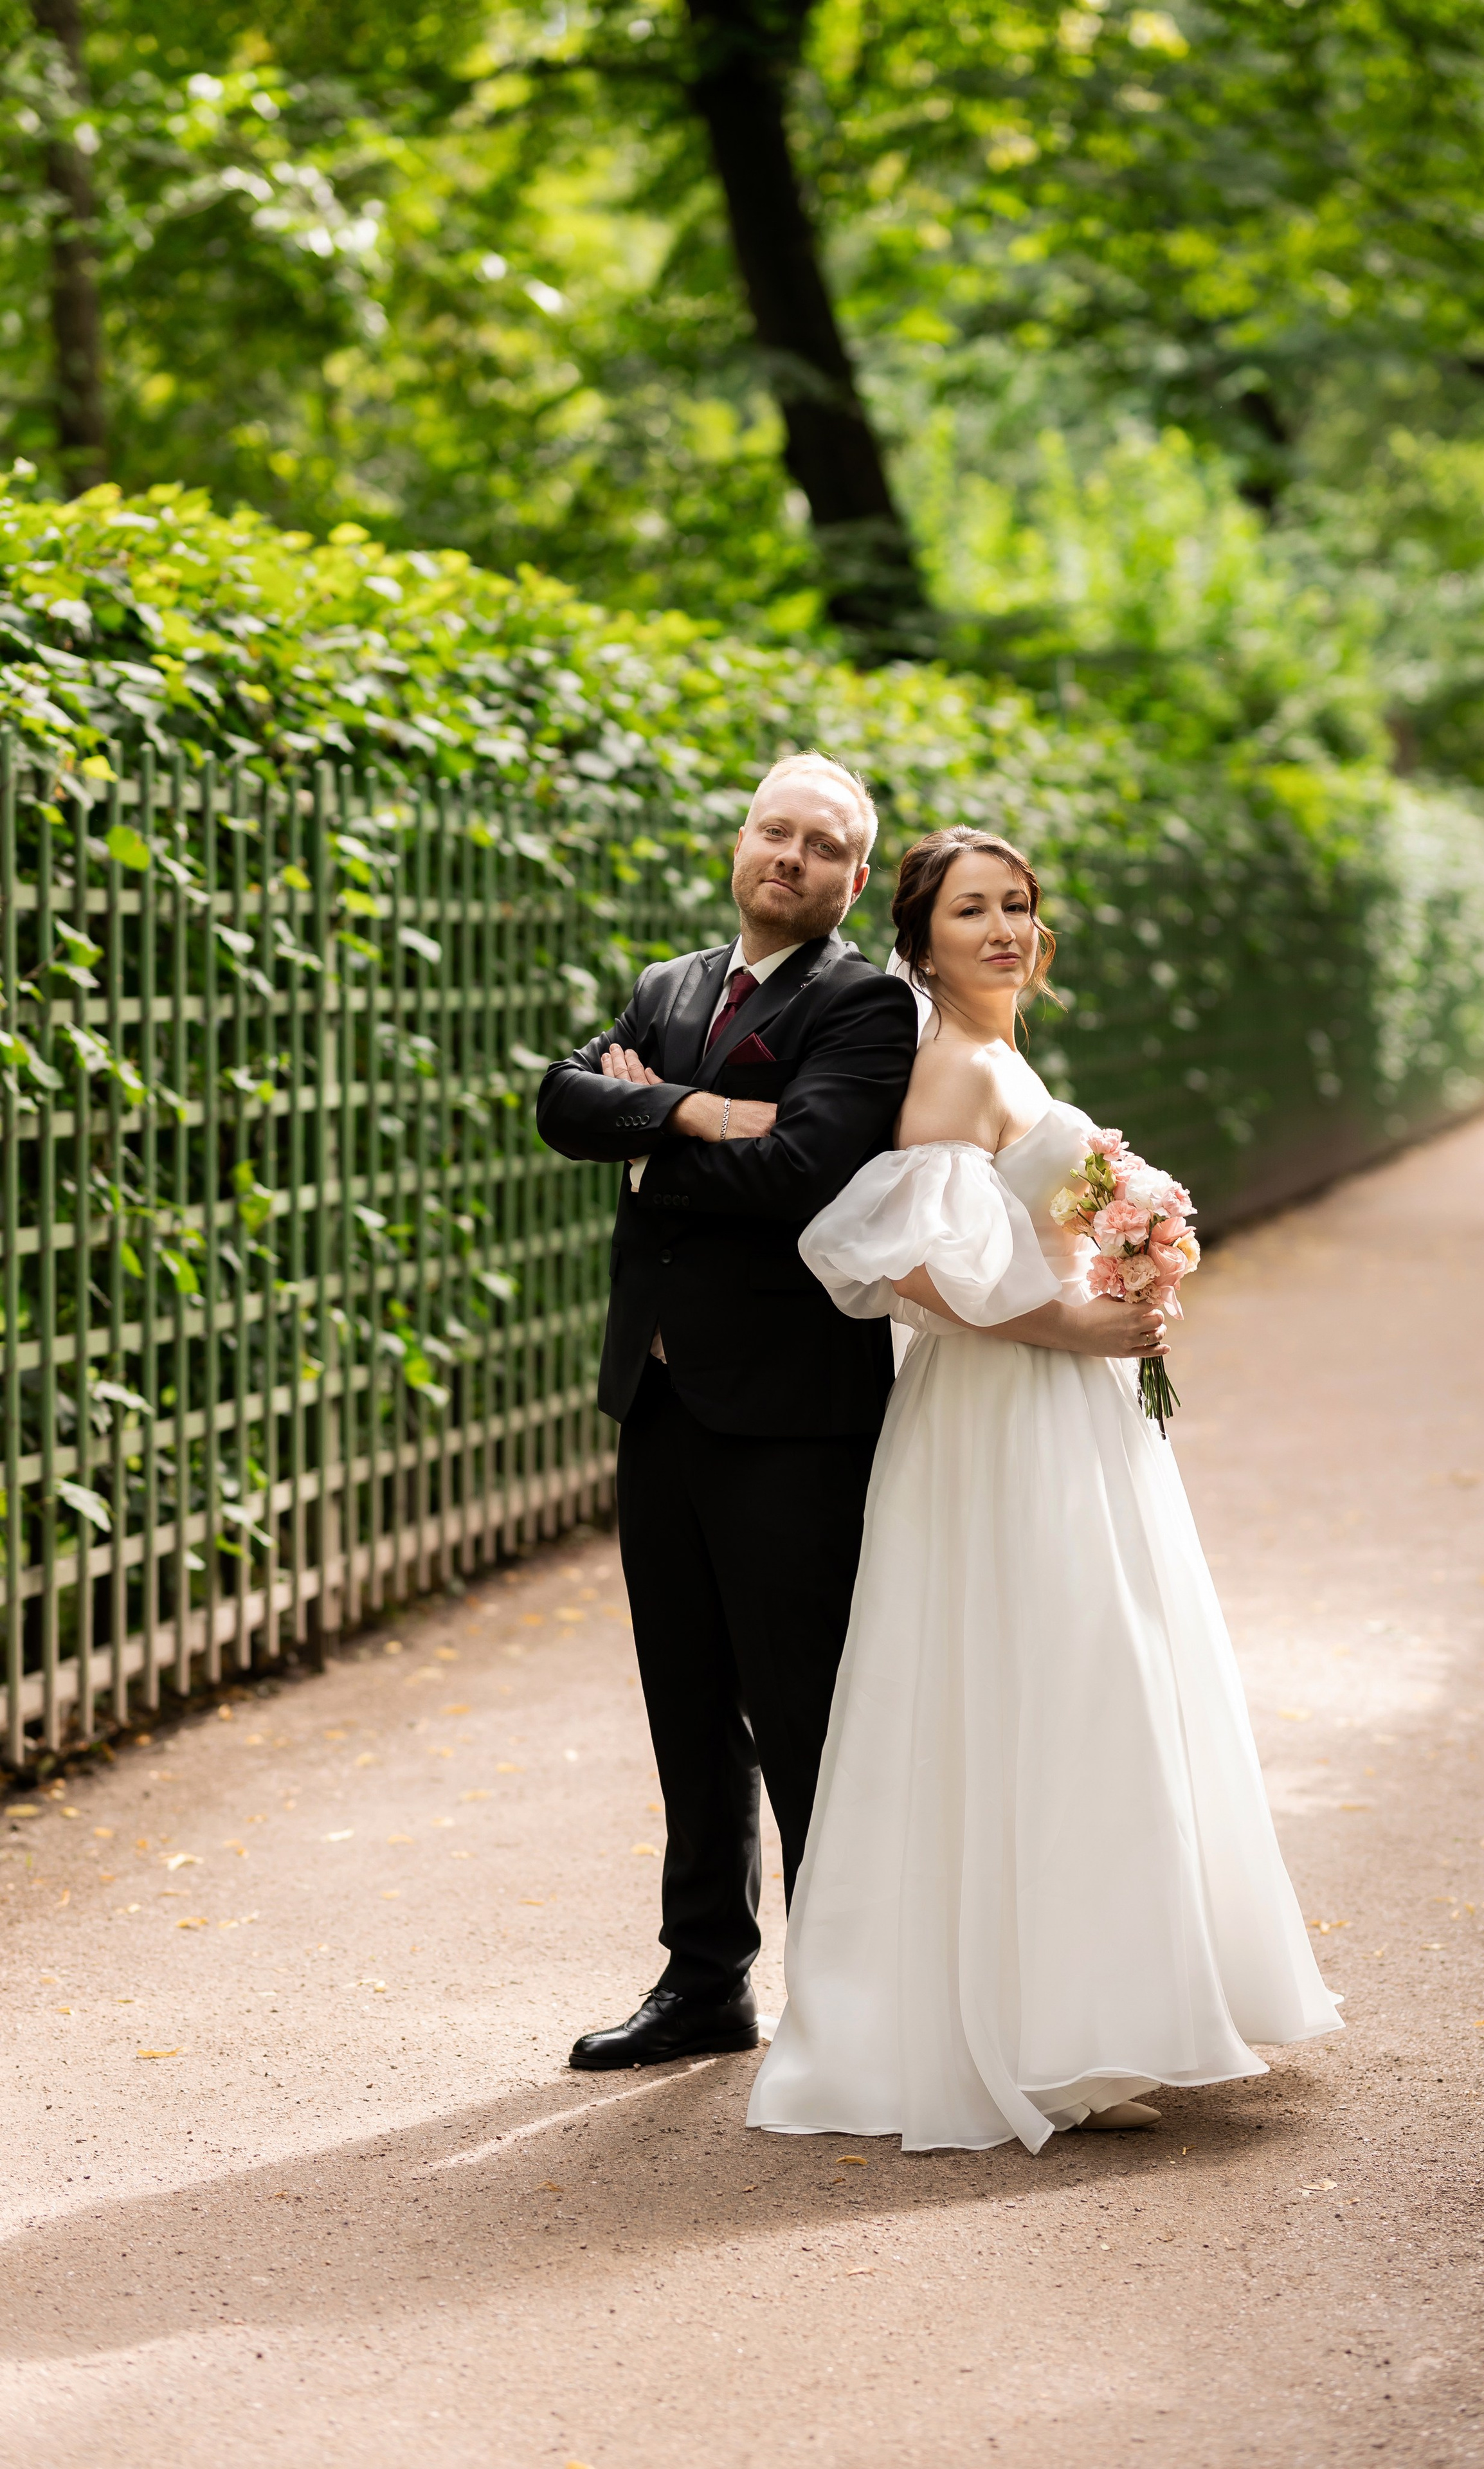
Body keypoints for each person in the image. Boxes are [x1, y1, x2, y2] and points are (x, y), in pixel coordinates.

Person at [747, 826, 1342, 2153]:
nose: (1003, 929)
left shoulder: (1005, 1055)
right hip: (1001, 1420)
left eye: (1016, 906)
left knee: (1097, 1679)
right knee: (1041, 1680)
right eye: (971, 912)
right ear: (921, 940)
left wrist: (1126, 1274)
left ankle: (1101, 2001)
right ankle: (1040, 2036)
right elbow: (892, 1260)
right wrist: (1073, 1329)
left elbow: (1019, 1234)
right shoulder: (949, 1069)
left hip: (1070, 1417)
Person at [536, 752, 919, 2070]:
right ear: (739, 841)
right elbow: (561, 1103)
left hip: (792, 1415)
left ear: (852, 880)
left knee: (804, 1711)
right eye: (774, 830)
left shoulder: (864, 1009)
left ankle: (851, 1997)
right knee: (686, 1702)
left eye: (822, 845)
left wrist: (654, 1156)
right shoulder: (670, 986)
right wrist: (692, 1110)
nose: (790, 855)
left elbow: (807, 1172)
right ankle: (704, 1983)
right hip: (656, 1396)